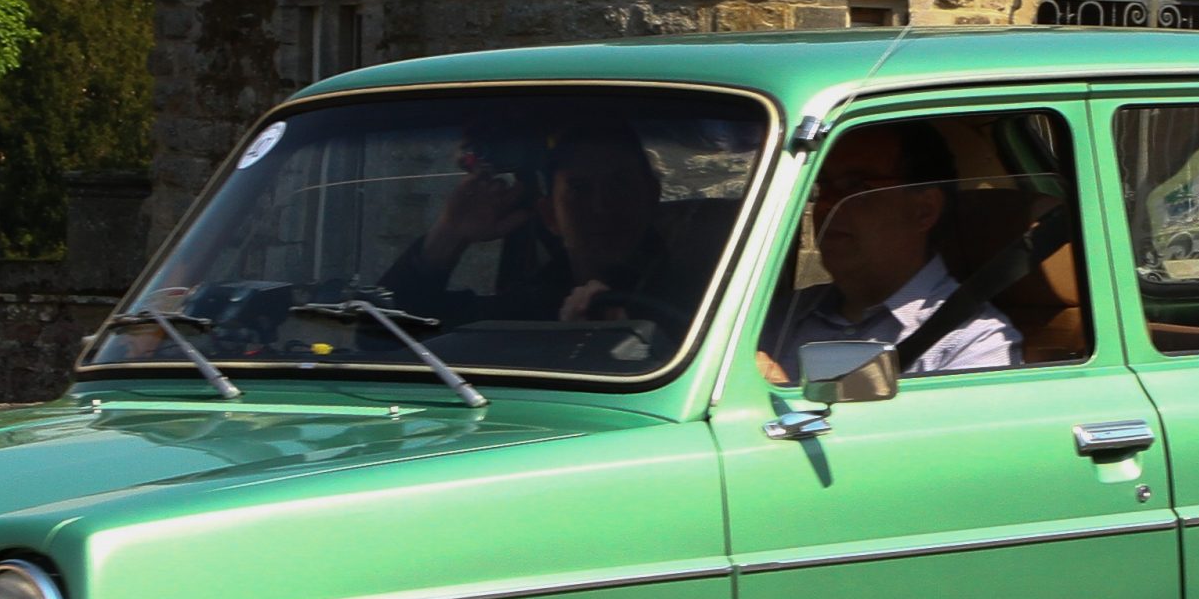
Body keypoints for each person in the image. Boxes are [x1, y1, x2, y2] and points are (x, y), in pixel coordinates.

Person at [764, 121, 1021, 382]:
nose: (827, 205)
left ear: (924, 210)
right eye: (822, 186)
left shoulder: (975, 342)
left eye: (857, 187)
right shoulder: (782, 315)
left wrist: (780, 396)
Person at [385, 121, 694, 328]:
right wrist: (450, 233)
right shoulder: (526, 309)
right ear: (550, 216)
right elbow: (386, 334)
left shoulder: (705, 300)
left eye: (621, 184)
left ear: (652, 196)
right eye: (579, 190)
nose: (602, 206)